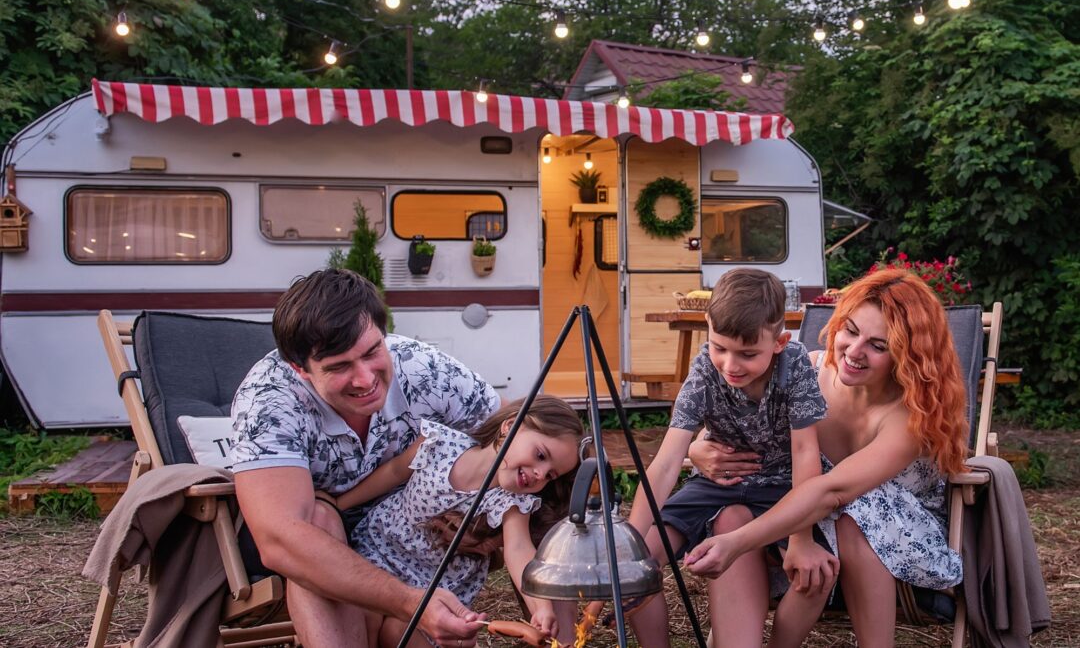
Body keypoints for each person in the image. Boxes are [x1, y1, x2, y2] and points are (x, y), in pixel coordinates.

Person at [686, 268, 968, 647]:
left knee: (854, 512)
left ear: (908, 356)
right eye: (851, 331)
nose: (853, 352)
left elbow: (833, 491)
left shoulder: (910, 418)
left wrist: (736, 543)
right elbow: (741, 424)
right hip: (803, 515)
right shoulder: (808, 371)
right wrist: (698, 448)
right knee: (734, 510)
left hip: (893, 534)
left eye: (878, 345)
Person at [229, 268, 501, 648]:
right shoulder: (269, 400)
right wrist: (411, 602)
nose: (364, 378)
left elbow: (508, 443)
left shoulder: (426, 370)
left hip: (410, 537)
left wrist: (482, 519)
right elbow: (281, 539)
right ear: (299, 369)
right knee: (319, 518)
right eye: (339, 367)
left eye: (372, 352)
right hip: (327, 541)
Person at [625, 268, 836, 648]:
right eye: (719, 347)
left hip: (782, 487)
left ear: (779, 342)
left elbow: (807, 451)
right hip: (717, 486)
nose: (730, 365)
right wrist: (628, 545)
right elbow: (668, 461)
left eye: (747, 353)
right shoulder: (706, 368)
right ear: (708, 327)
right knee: (639, 561)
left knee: (815, 573)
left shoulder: (795, 364)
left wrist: (801, 536)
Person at [335, 394, 582, 647]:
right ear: (510, 426)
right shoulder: (439, 443)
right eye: (541, 455)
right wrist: (340, 504)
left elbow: (518, 550)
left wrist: (540, 606)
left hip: (433, 589)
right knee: (365, 614)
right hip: (380, 551)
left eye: (550, 475)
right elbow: (395, 472)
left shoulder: (510, 502)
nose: (540, 474)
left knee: (397, 632)